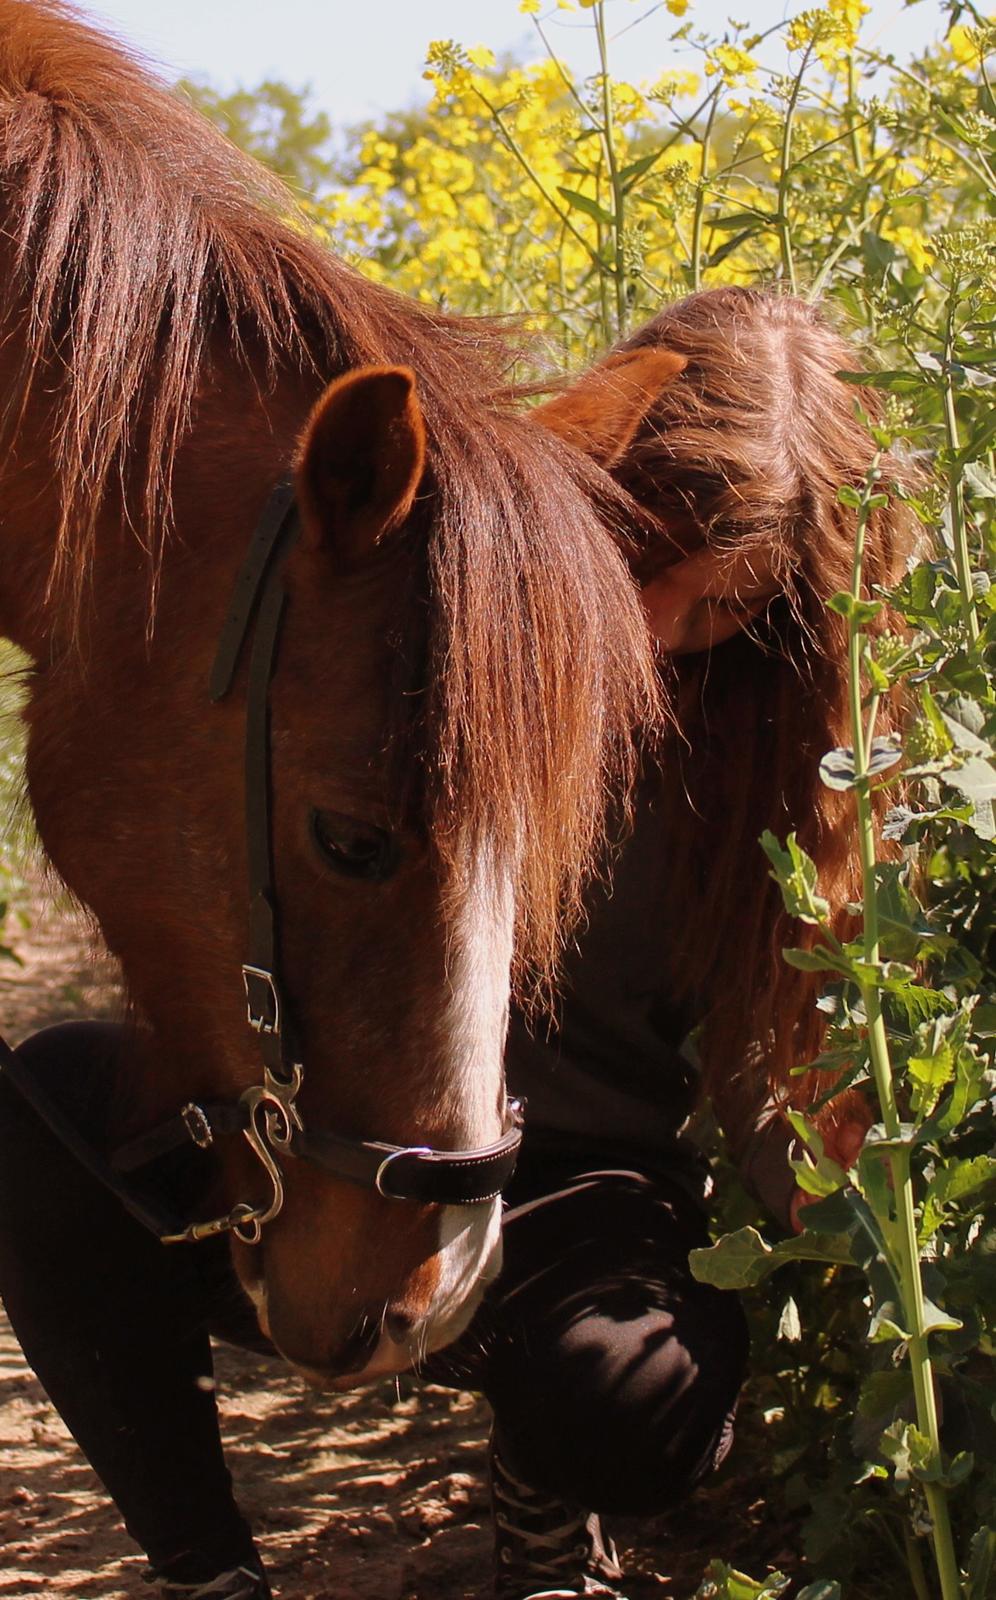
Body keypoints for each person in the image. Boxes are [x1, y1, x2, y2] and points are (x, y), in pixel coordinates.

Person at [0, 287, 916, 1600]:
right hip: (317, 1136)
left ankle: (545, 1487)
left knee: (639, 1403)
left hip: (568, 1181)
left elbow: (775, 1073)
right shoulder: (425, 625)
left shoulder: (779, 765)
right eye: (636, 559)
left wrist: (881, 1263)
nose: (652, 629)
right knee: (39, 1117)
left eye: (717, 611)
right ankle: (207, 1569)